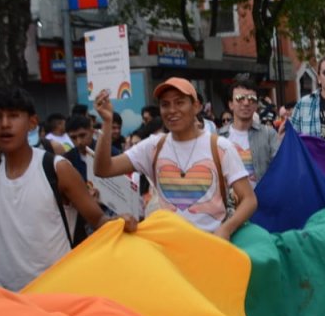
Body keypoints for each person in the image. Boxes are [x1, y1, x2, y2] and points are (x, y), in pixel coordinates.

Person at [0, 87, 136, 292]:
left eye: (13, 116)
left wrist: (119, 222)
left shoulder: (57, 169)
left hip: (60, 296)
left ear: (32, 123)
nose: (5, 124)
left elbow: (96, 219)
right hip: (10, 303)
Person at [95, 78, 256, 241]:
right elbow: (103, 169)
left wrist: (226, 229)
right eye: (165, 104)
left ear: (196, 106)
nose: (172, 110)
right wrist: (107, 122)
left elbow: (249, 199)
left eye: (179, 103)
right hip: (169, 248)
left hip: (211, 246)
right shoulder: (153, 146)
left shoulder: (220, 147)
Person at [222, 80, 280, 187]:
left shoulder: (269, 134)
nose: (246, 103)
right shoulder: (219, 137)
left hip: (263, 200)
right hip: (230, 202)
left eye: (252, 99)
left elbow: (280, 168)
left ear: (257, 105)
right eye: (240, 98)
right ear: (231, 104)